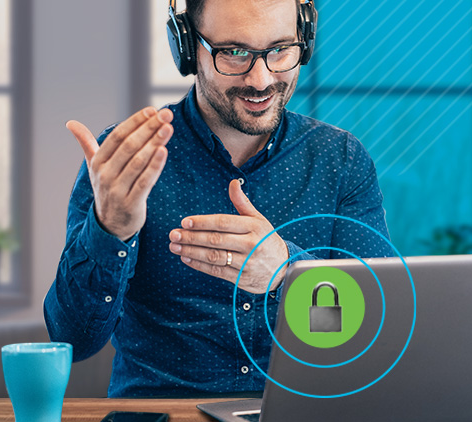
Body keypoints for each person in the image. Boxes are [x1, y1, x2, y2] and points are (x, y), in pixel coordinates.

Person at [43, 0, 392, 397]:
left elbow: (371, 336)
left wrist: (288, 274)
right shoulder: (123, 161)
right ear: (188, 47)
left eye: (280, 50)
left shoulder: (341, 161)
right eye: (234, 53)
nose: (261, 80)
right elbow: (73, 340)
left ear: (305, 42)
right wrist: (111, 228)